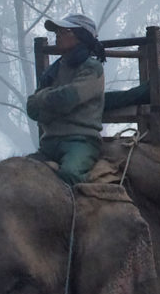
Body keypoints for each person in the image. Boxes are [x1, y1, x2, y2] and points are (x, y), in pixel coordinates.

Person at [28, 13, 107, 185]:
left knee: (70, 173)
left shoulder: (92, 68)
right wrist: (49, 101)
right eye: (57, 32)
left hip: (80, 141)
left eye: (64, 31)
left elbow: (68, 98)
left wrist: (43, 98)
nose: (58, 36)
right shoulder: (52, 71)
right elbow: (32, 108)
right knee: (21, 171)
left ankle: (81, 210)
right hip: (48, 144)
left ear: (80, 36)